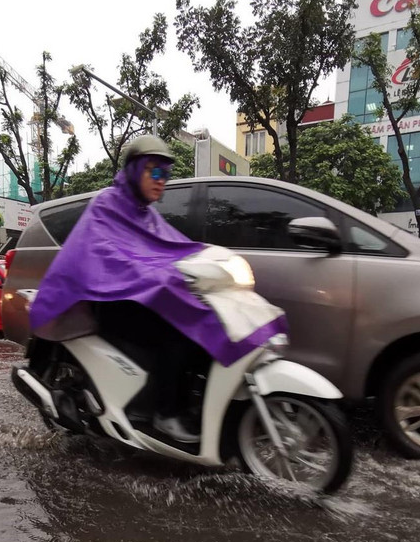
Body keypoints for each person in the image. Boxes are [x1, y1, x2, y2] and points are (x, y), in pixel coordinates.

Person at [28, 135, 286, 444]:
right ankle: (166, 414)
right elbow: (108, 257)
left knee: (206, 325)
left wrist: (207, 260)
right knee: (177, 334)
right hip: (111, 301)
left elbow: (172, 247)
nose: (162, 181)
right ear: (136, 170)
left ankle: (189, 403)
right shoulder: (107, 204)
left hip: (139, 298)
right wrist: (153, 275)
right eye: (155, 172)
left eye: (166, 174)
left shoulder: (146, 214)